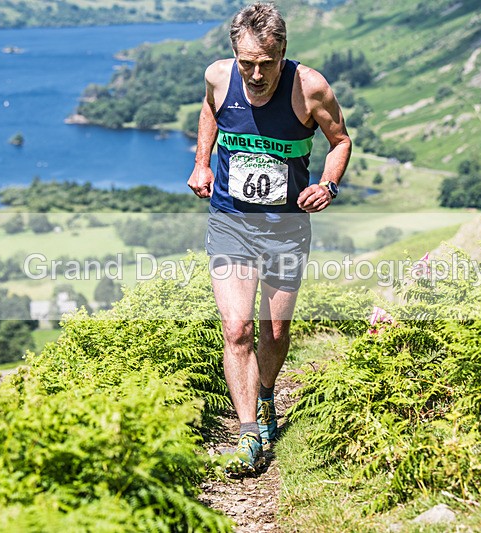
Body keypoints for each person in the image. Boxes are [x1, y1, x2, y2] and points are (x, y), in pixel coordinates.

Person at [187, 2, 351, 475]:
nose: (256, 74)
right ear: (235, 55)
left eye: (268, 62)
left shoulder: (311, 88)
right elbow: (209, 111)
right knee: (237, 328)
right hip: (231, 223)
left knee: (274, 329)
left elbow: (341, 140)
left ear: (284, 53)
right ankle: (248, 433)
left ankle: (264, 395)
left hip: (285, 228)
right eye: (247, 63)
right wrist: (202, 161)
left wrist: (327, 185)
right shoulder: (219, 77)